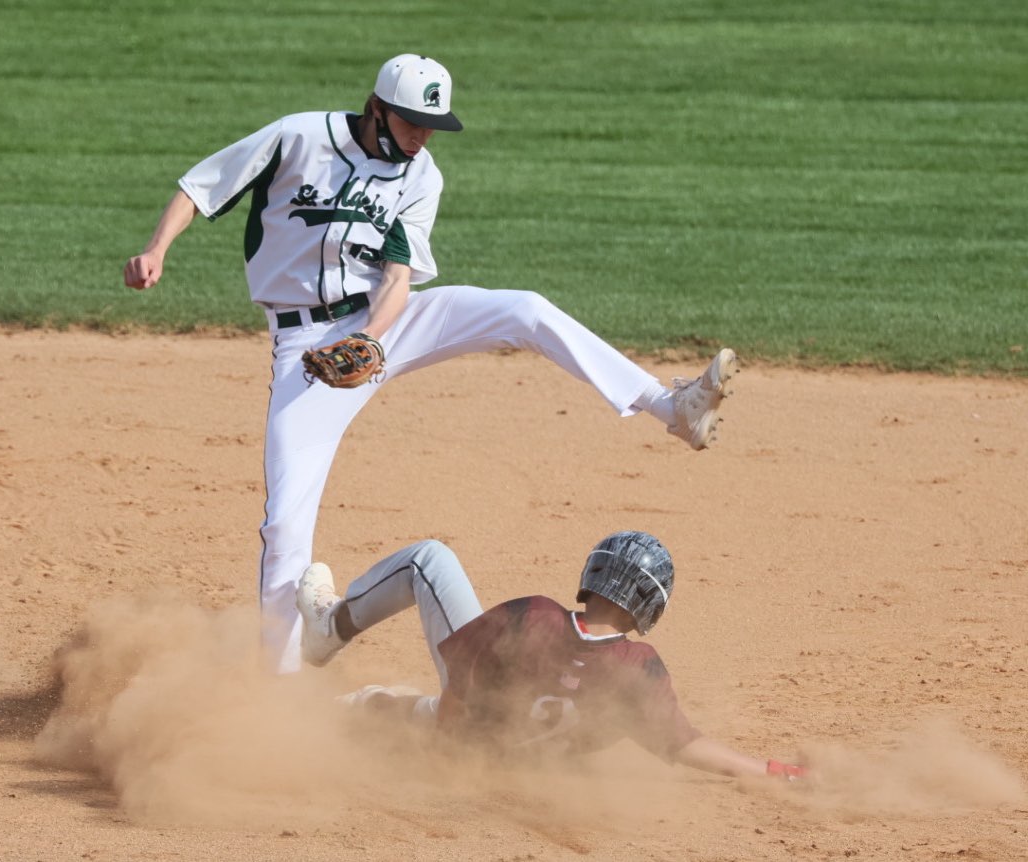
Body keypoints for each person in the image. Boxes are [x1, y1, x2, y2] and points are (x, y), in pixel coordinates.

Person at [123, 53, 739, 674]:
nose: (422, 136)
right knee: (286, 524)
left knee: (523, 309)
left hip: (382, 324)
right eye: (413, 121)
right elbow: (199, 187)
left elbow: (397, 277)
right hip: (305, 351)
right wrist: (156, 250)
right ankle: (282, 687)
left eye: (433, 124)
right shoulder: (298, 137)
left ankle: (671, 406)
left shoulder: (421, 176)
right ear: (377, 108)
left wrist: (367, 341)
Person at [295, 532, 807, 781]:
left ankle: (329, 629)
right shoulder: (639, 670)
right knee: (416, 713)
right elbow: (685, 745)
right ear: (650, 607)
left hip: (463, 739)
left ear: (595, 575)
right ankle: (351, 715)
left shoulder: (534, 616)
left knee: (430, 559)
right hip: (510, 763)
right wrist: (769, 772)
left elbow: (459, 681)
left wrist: (447, 748)